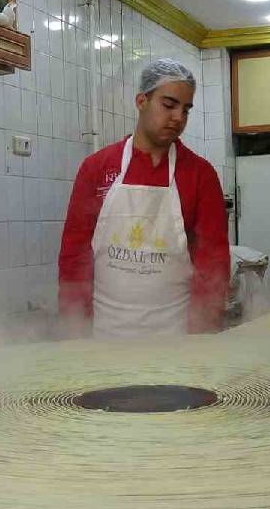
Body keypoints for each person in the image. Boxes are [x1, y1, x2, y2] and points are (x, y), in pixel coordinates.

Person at [58, 58, 230, 338]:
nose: (178, 118)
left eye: (186, 110)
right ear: (142, 101)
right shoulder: (98, 167)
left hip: (176, 338)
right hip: (104, 336)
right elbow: (75, 254)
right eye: (169, 105)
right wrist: (74, 328)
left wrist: (203, 338)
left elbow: (213, 262)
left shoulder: (200, 175)